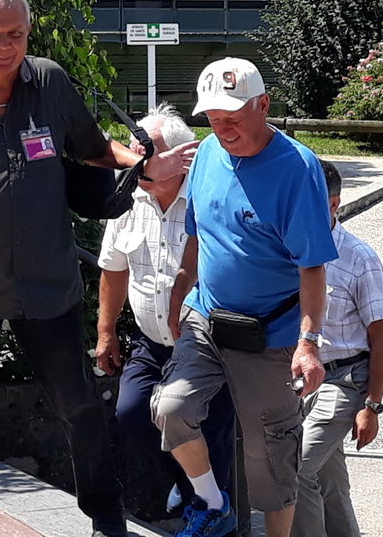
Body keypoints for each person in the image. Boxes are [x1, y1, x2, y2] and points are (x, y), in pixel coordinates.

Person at [0, 0, 194, 537]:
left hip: (47, 284)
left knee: (79, 408)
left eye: (16, 34)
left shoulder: (49, 82)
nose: (4, 46)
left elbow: (95, 150)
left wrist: (145, 168)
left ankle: (107, 518)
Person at [151, 57, 338, 537]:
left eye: (233, 116)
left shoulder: (297, 168)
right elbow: (197, 234)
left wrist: (308, 342)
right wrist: (180, 288)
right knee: (170, 409)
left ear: (263, 105)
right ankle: (213, 502)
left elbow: (312, 266)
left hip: (270, 332)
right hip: (207, 316)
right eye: (213, 118)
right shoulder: (207, 155)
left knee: (270, 456)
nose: (223, 128)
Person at [95, 104, 236, 519]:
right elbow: (112, 268)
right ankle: (193, 487)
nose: (136, 159)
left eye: (147, 150)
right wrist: (106, 331)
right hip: (151, 341)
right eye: (133, 149)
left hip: (204, 347)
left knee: (210, 433)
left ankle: (212, 515)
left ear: (181, 157)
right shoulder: (128, 200)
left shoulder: (206, 199)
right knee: (132, 412)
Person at [291, 159, 383, 537]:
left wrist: (372, 406)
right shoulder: (287, 247)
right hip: (301, 380)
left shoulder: (359, 258)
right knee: (328, 483)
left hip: (345, 380)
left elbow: (381, 339)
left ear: (333, 204)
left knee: (296, 470)